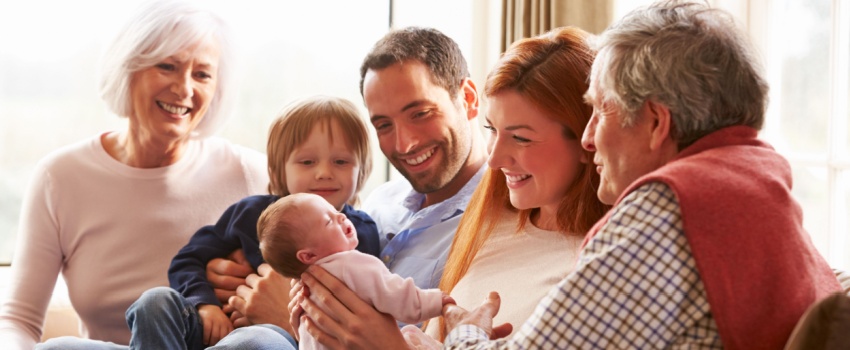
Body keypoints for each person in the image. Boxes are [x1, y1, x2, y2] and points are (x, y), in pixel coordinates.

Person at [441, 1, 843, 349]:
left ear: (654, 122)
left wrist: (463, 334)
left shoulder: (667, 210)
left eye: (600, 110)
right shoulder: (757, 175)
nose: (588, 137)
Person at [0, 1, 269, 348]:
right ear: (127, 68)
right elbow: (18, 320)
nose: (184, 88)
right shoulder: (60, 177)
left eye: (202, 74)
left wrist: (262, 287)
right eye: (167, 66)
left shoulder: (251, 173)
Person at [207, 26, 490, 349]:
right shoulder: (381, 202)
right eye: (384, 125)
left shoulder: (495, 223)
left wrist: (286, 320)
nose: (404, 143)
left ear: (468, 98)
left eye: (421, 113)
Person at [116, 96, 380, 350]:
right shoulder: (251, 213)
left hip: (278, 338)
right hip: (211, 328)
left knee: (253, 341)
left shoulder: (361, 232)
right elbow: (189, 259)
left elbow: (361, 311)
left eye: (341, 161)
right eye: (307, 162)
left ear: (362, 170)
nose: (324, 173)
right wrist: (205, 305)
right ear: (279, 169)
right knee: (153, 301)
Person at [422, 26, 610, 342]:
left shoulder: (597, 265)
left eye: (521, 138)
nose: (494, 160)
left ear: (586, 138)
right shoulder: (493, 221)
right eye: (491, 128)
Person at [259, 192, 454, 350]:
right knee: (412, 334)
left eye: (336, 211)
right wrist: (435, 301)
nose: (341, 216)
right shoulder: (352, 264)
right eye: (328, 221)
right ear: (308, 256)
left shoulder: (305, 290)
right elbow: (398, 297)